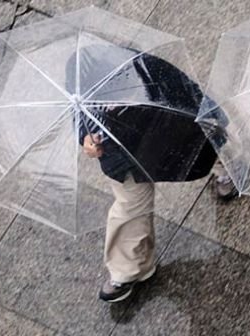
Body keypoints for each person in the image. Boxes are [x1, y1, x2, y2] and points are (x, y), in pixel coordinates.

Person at [70, 45, 218, 302]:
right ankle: (129, 270)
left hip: (165, 127)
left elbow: (191, 102)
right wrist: (86, 138)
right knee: (129, 205)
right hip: (121, 153)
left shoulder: (147, 69)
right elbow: (78, 112)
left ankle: (229, 167)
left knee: (205, 144)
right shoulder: (81, 71)